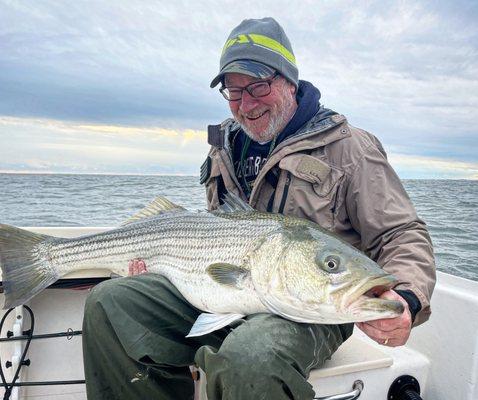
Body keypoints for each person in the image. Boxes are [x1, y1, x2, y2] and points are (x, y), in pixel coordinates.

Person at [82, 17, 436, 400]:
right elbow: (218, 230)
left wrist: (409, 298)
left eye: (258, 87)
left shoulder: (350, 147)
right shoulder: (225, 146)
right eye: (234, 93)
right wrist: (162, 264)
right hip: (231, 293)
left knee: (250, 356)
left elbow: (401, 232)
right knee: (110, 302)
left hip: (311, 308)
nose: (246, 105)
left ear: (288, 81)